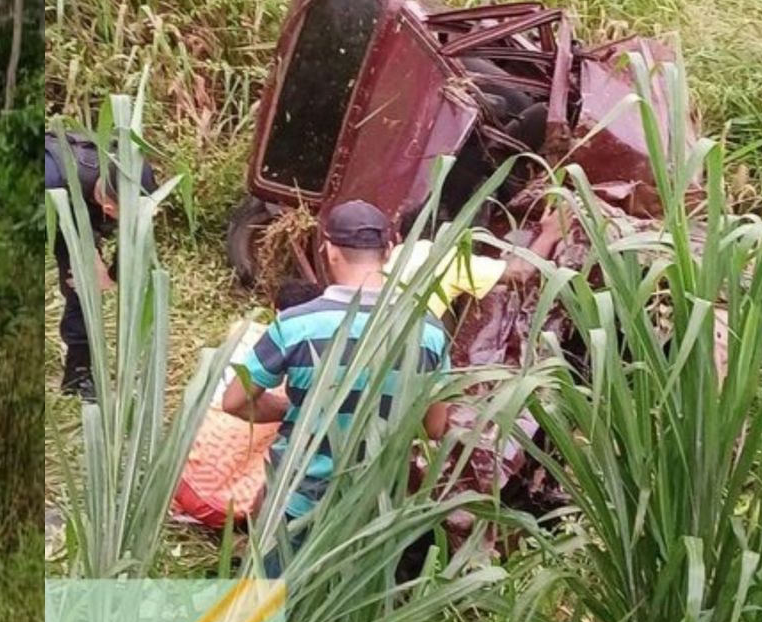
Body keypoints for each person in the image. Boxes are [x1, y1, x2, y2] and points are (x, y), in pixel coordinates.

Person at [221, 200, 451, 577]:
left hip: (295, 501)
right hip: (373, 508)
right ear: (390, 250)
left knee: (270, 605)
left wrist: (300, 407)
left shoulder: (297, 324)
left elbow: (235, 401)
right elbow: (433, 427)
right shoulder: (428, 331)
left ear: (328, 249)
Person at [44, 130, 156, 400]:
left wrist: (113, 273)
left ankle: (78, 373)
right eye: (118, 214)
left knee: (85, 286)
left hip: (81, 203)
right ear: (107, 205)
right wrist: (85, 251)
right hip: (48, 200)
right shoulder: (52, 176)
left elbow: (135, 231)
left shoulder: (139, 176)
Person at [386, 201, 564, 318]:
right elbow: (520, 271)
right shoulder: (443, 259)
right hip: (414, 351)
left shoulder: (383, 260)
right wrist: (549, 234)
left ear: (397, 238)